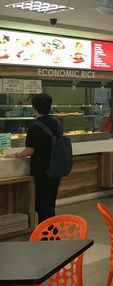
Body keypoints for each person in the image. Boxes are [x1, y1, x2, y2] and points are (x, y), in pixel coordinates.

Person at [7, 93, 61, 223]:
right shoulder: (57, 123)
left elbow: (29, 150)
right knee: (50, 203)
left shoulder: (34, 127)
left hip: (42, 171)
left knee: (42, 205)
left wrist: (15, 155)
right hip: (55, 168)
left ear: (34, 108)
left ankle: (46, 232)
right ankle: (51, 231)